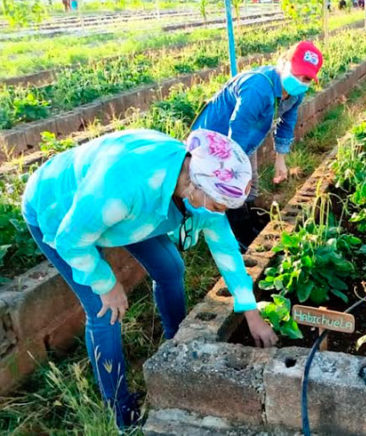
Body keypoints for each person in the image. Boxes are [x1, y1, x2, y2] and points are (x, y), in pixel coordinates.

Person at [22, 128, 278, 428]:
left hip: (127, 213)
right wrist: (107, 283)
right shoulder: (126, 185)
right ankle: (119, 411)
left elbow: (226, 252)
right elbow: (71, 239)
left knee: (171, 269)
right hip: (58, 209)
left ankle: (176, 343)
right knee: (104, 310)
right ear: (197, 185)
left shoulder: (194, 182)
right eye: (219, 205)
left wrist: (251, 312)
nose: (220, 212)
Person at [190, 41, 324, 244]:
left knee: (250, 187)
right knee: (233, 187)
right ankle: (239, 235)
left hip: (245, 137)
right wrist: (236, 172)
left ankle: (250, 223)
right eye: (297, 73)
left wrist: (280, 160)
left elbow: (287, 122)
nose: (300, 81)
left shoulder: (296, 93)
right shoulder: (258, 87)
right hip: (214, 138)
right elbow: (238, 129)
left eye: (306, 78)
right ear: (283, 63)